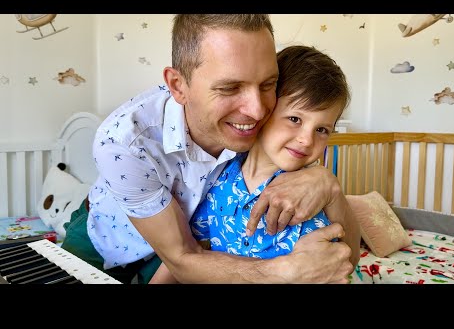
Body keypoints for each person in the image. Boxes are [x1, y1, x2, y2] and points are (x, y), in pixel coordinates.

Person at [62, 14, 354, 284]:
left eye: (268, 84)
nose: (256, 111)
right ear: (178, 85)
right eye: (229, 88)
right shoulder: (124, 141)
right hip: (106, 234)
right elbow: (181, 259)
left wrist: (328, 185)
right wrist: (285, 272)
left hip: (187, 251)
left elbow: (343, 257)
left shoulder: (269, 139)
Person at [151, 45, 360, 283]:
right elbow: (187, 255)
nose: (306, 140)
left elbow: (341, 265)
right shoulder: (219, 177)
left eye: (322, 130)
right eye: (295, 119)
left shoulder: (305, 201)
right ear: (264, 109)